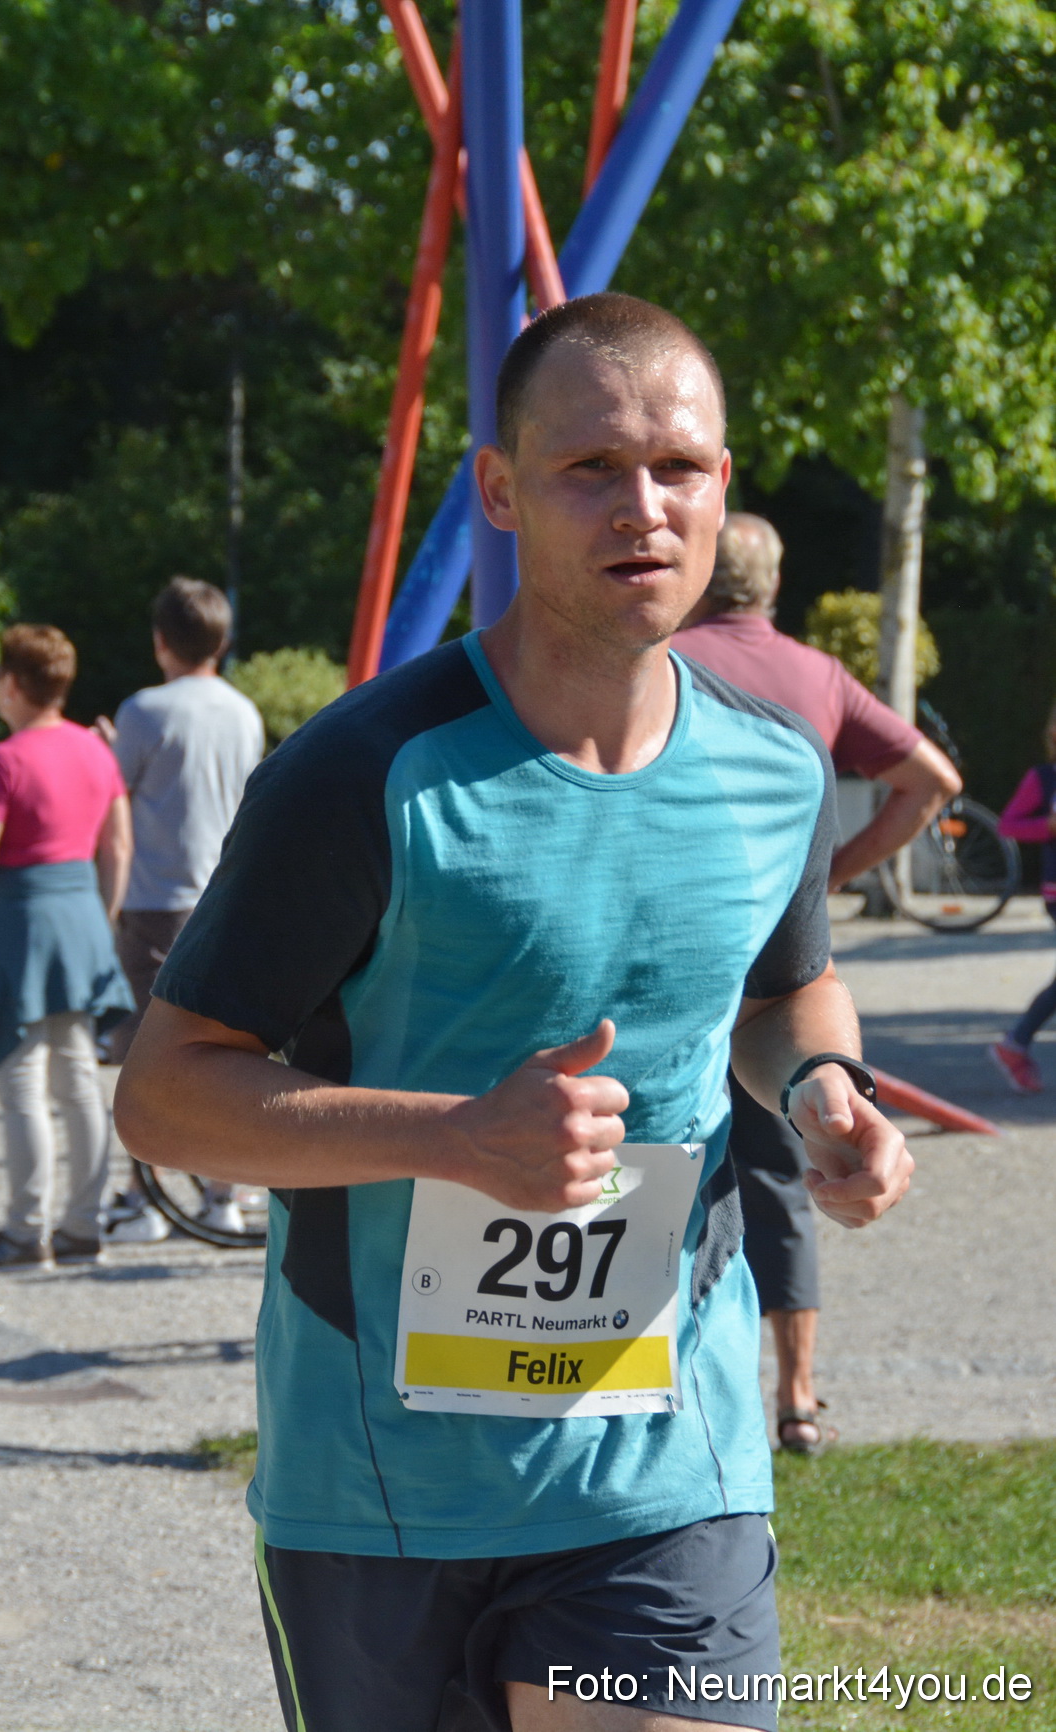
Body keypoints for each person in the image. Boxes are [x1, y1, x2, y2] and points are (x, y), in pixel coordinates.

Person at [116, 293, 912, 1732]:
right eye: (587, 467)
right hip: (383, 1484)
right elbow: (164, 1094)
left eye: (677, 467)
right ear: (498, 491)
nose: (642, 506)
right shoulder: (364, 773)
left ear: (722, 487)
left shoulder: (771, 771)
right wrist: (459, 1140)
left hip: (669, 1464)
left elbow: (783, 988)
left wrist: (817, 1093)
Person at [673, 515, 959, 1454]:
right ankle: (795, 1397)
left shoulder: (655, 658)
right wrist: (829, 872)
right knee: (788, 1169)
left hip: (664, 949)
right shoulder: (815, 675)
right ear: (774, 583)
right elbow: (931, 780)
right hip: (781, 964)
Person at [0, 624, 134, 1272]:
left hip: (18, 923)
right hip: (79, 915)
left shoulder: (2, 759)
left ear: (14, 684)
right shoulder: (94, 751)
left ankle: (27, 1232)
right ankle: (84, 1226)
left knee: (21, 1078)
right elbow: (119, 846)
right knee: (79, 1079)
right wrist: (102, 916)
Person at [94, 576, 264, 1241]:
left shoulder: (145, 710)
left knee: (147, 1051)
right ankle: (222, 1190)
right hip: (225, 892)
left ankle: (147, 1195)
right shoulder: (243, 711)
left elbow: (115, 803)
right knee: (224, 1052)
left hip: (155, 896)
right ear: (222, 642)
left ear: (161, 641)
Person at [989, 700, 1056, 1092]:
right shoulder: (1043, 779)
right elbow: (1008, 825)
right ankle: (1015, 1043)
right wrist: (1047, 826)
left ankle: (1015, 1043)